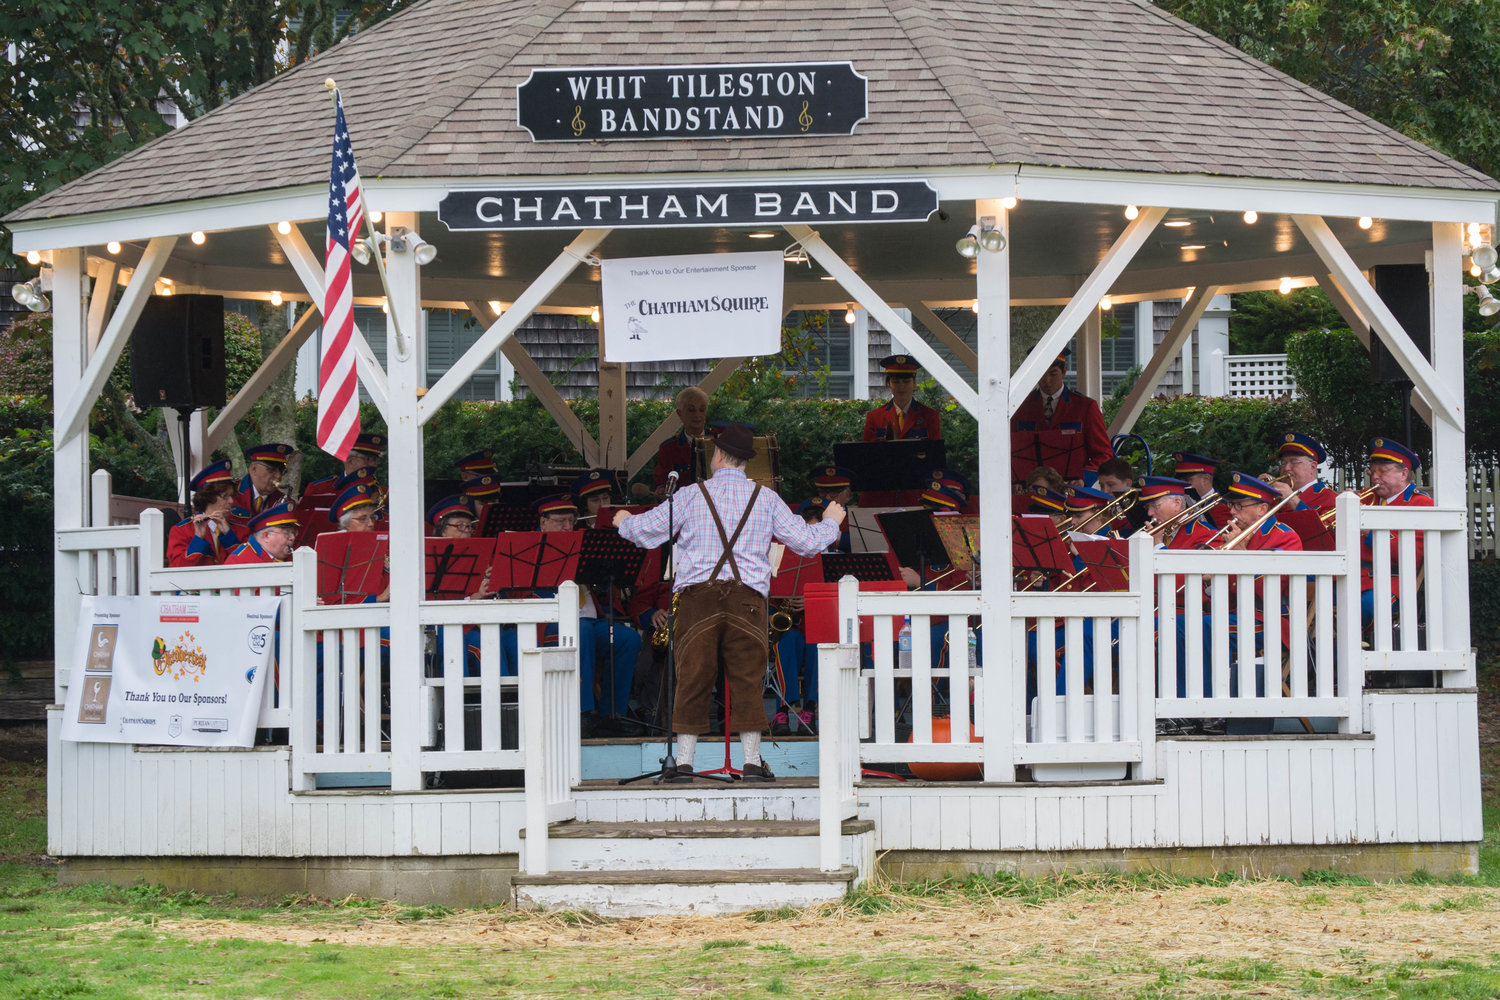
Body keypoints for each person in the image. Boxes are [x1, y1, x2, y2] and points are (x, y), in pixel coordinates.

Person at [616, 423, 844, 782]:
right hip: (747, 602)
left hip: (697, 601)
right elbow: (806, 542)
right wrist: (831, 524)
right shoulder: (766, 498)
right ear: (746, 462)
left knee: (692, 678)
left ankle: (684, 765)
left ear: (718, 455)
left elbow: (644, 532)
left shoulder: (691, 495)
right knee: (747, 681)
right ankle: (752, 762)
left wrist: (622, 520)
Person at [534, 493, 642, 736]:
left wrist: (602, 574)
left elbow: (602, 589)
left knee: (628, 639)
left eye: (571, 521)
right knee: (581, 631)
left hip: (591, 622)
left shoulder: (582, 545)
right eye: (561, 520)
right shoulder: (534, 548)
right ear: (543, 522)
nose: (567, 526)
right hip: (552, 623)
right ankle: (583, 713)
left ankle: (612, 713)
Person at [1360, 437, 1433, 626]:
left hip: (1393, 581)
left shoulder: (1422, 504)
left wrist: (1370, 531)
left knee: (1363, 607)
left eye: (1382, 471)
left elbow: (1412, 556)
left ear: (1404, 474)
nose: (1375, 477)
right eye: (1372, 471)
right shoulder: (1363, 498)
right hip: (1354, 577)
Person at [1010, 350, 1113, 477]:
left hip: (1072, 488)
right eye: (1041, 374)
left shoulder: (1085, 407)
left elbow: (1104, 455)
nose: (1047, 380)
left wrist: (1083, 477)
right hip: (1031, 487)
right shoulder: (1020, 407)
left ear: (1064, 371)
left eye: (1053, 374)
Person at [167, 460, 243, 566]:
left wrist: (228, 534)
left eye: (231, 496)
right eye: (225, 496)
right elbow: (177, 569)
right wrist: (198, 538)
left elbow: (247, 566)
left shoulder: (242, 530)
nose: (231, 501)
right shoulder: (181, 531)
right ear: (208, 497)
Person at [862, 354, 941, 441]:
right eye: (896, 382)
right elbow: (867, 453)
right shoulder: (875, 417)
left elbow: (935, 452)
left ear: (914, 383)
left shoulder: (930, 416)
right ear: (889, 384)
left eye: (906, 381)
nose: (901, 386)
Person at [300, 433, 385, 508]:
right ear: (350, 460)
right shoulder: (318, 489)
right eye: (368, 459)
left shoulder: (384, 494)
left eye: (375, 459)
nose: (373, 464)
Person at [654, 386, 711, 490]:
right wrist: (662, 490)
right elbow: (661, 482)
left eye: (702, 410)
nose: (697, 415)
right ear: (679, 413)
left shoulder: (719, 444)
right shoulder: (668, 449)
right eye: (691, 410)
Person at [1269, 432, 1337, 515]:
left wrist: (1293, 500)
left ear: (1313, 467)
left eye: (1294, 462)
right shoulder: (1273, 497)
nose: (1286, 468)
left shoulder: (1329, 498)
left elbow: (1320, 528)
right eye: (1283, 463)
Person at [224, 503, 299, 564]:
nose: (292, 537)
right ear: (266, 536)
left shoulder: (290, 558)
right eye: (286, 533)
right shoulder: (239, 561)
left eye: (293, 532)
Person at [233, 442, 294, 517]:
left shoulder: (286, 503)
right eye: (271, 470)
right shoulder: (229, 494)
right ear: (253, 469)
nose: (278, 476)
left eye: (282, 471)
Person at [1173, 452, 1231, 528]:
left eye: (1187, 480)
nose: (1182, 485)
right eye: (1180, 480)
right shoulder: (1180, 505)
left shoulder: (1221, 508)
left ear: (1205, 479)